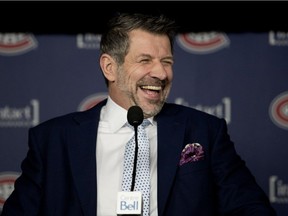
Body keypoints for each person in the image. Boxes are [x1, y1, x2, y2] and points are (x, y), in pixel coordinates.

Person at [1, 12, 276, 216]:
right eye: (145, 60)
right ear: (110, 67)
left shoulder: (205, 131)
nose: (160, 73)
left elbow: (252, 209)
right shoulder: (52, 140)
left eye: (167, 62)